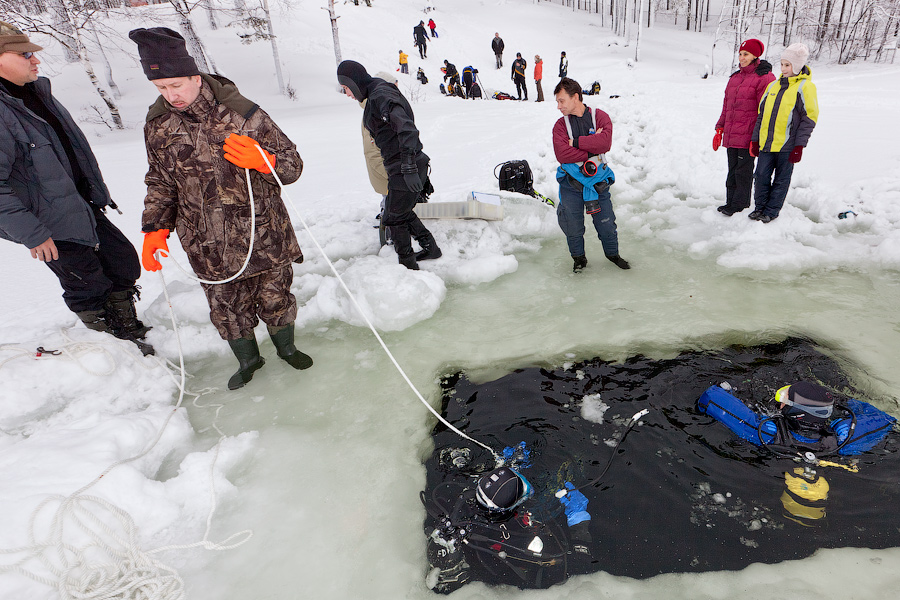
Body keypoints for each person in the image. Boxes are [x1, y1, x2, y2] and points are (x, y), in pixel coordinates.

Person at [129, 27, 312, 390]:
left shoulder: (243, 113)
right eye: (162, 88)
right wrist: (154, 228)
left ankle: (286, 349)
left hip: (264, 235)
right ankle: (248, 359)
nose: (171, 95)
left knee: (276, 297)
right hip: (206, 244)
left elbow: (292, 165)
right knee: (227, 309)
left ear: (196, 77)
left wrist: (265, 160)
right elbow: (161, 181)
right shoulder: (158, 126)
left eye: (177, 84)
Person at [0, 22, 152, 355]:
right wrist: (33, 234)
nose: (35, 60)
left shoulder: (35, 93)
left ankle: (126, 329)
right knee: (86, 284)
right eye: (25, 54)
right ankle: (110, 347)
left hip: (80, 204)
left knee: (123, 264)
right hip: (47, 223)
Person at [337, 60, 442, 270]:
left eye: (347, 89)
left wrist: (409, 168)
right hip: (402, 165)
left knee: (394, 219)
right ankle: (431, 248)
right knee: (399, 211)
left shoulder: (380, 96)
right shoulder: (376, 92)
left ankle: (407, 267)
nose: (348, 94)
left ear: (354, 82)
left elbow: (407, 129)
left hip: (405, 166)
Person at [552, 77, 630, 273]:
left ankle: (613, 255)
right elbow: (562, 154)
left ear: (575, 97)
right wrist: (592, 148)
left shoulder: (599, 116)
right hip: (570, 185)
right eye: (557, 102)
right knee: (573, 227)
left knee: (606, 225)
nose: (558, 106)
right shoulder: (560, 126)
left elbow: (605, 143)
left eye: (561, 101)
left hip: (598, 183)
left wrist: (575, 142)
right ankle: (579, 260)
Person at [698, 381, 896, 457]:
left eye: (784, 401)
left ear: (796, 412)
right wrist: (848, 404)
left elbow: (710, 398)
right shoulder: (843, 440)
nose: (779, 404)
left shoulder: (767, 433)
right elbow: (885, 419)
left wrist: (727, 391)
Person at [749, 43, 818, 223]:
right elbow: (761, 115)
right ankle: (759, 207)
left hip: (787, 145)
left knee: (781, 179)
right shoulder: (773, 86)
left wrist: (799, 146)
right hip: (766, 143)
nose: (784, 68)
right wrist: (755, 140)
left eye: (788, 65)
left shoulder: (805, 87)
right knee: (761, 175)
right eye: (782, 64)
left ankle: (771, 211)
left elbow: (809, 118)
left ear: (796, 66)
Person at [713, 39, 774, 216]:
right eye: (740, 54)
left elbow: (765, 111)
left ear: (756, 55)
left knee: (743, 171)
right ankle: (730, 202)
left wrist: (757, 137)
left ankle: (739, 205)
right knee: (732, 168)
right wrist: (719, 128)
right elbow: (727, 106)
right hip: (732, 133)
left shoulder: (764, 78)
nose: (741, 58)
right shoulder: (735, 78)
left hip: (748, 134)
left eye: (746, 54)